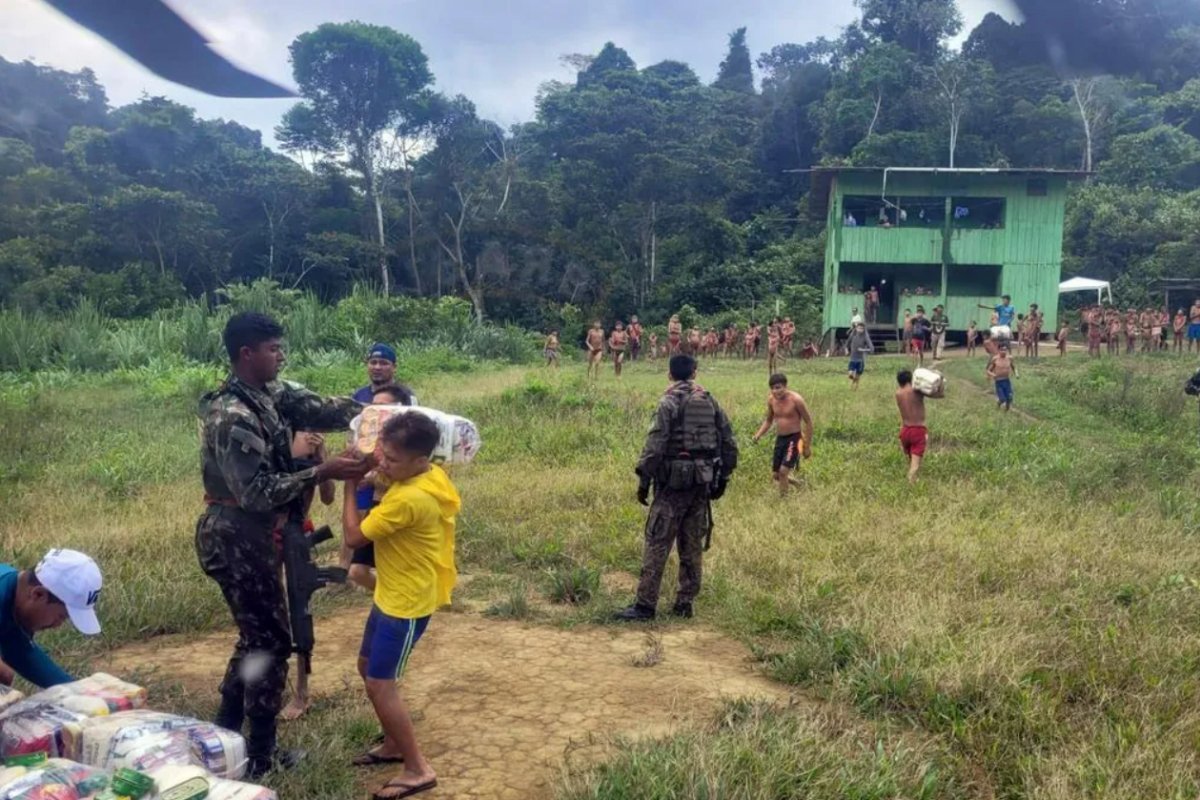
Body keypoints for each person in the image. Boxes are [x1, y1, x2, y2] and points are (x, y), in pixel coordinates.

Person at [196, 312, 370, 778]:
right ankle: (258, 756)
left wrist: (385, 415)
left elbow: (328, 409)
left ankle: (226, 737)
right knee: (270, 643)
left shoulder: (274, 393)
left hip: (258, 534)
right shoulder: (230, 414)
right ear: (246, 354)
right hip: (234, 534)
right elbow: (253, 493)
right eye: (272, 348)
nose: (281, 355)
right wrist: (322, 472)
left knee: (257, 638)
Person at [342, 412, 459, 800]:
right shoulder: (428, 475)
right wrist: (375, 471)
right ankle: (393, 744)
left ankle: (418, 768)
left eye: (391, 459)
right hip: (391, 593)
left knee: (380, 683)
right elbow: (385, 476)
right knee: (365, 667)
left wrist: (349, 487)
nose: (384, 463)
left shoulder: (410, 498)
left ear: (420, 459)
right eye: (384, 455)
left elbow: (355, 535)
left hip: (406, 604)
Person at [615, 355, 738, 621]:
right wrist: (723, 478)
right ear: (695, 372)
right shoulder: (709, 400)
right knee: (691, 544)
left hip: (672, 485)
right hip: (701, 483)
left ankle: (645, 606)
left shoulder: (668, 401)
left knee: (657, 542)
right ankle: (684, 603)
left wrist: (644, 479)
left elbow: (655, 445)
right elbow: (729, 442)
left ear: (669, 375)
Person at [0, 549, 102, 689]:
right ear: (38, 595)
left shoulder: (14, 595)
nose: (57, 625)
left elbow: (20, 652)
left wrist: (77, 691)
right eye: (61, 616)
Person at [348, 384, 415, 596]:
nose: (376, 411)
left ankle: (397, 600)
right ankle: (391, 598)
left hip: (404, 510)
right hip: (379, 505)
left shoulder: (414, 441)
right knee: (357, 571)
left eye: (384, 407)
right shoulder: (369, 438)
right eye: (373, 406)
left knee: (397, 568)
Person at [752, 374, 813, 497]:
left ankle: (784, 499)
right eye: (773, 388)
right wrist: (758, 435)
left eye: (778, 387)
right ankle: (798, 484)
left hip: (794, 438)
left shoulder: (796, 400)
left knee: (783, 471)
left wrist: (806, 446)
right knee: (776, 475)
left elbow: (809, 422)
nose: (776, 391)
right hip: (780, 439)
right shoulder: (771, 400)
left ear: (785, 386)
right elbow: (769, 420)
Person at [895, 370, 927, 484]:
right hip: (918, 430)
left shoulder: (898, 393)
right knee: (915, 464)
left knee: (911, 459)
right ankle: (911, 482)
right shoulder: (917, 391)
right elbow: (937, 393)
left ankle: (914, 480)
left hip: (905, 431)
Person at [986, 347, 1018, 412]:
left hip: (1007, 381)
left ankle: (1006, 410)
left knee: (1009, 397)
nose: (1003, 351)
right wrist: (993, 375)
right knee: (1002, 399)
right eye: (1002, 350)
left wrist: (1017, 374)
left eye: (1005, 350)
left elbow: (1014, 367)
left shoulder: (1009, 358)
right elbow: (988, 371)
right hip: (999, 381)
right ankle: (998, 404)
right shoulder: (995, 359)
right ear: (999, 351)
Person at [846, 322, 874, 390]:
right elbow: (847, 344)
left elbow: (872, 349)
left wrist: (863, 350)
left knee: (858, 375)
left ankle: (855, 387)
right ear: (856, 328)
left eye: (862, 328)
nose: (860, 330)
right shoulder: (853, 335)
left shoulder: (865, 336)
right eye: (859, 328)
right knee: (850, 374)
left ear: (864, 329)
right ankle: (853, 381)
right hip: (852, 358)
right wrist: (846, 350)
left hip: (861, 359)